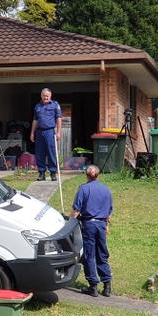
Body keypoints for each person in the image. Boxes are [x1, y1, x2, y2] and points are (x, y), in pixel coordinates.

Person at [70, 165, 113, 297]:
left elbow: (76, 210)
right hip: (101, 224)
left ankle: (93, 286)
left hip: (88, 224)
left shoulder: (83, 189)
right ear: (98, 175)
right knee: (102, 254)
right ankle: (107, 285)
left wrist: (69, 224)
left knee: (89, 254)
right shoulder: (106, 190)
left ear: (87, 175)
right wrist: (106, 225)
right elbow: (109, 211)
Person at [30, 88, 62, 181]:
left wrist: (59, 132)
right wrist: (32, 133)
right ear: (41, 96)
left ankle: (53, 173)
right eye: (44, 96)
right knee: (40, 153)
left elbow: (59, 119)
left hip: (50, 132)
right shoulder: (37, 106)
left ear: (50, 96)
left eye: (47, 96)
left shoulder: (55, 105)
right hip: (39, 132)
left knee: (51, 153)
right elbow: (35, 120)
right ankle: (41, 173)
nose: (46, 97)